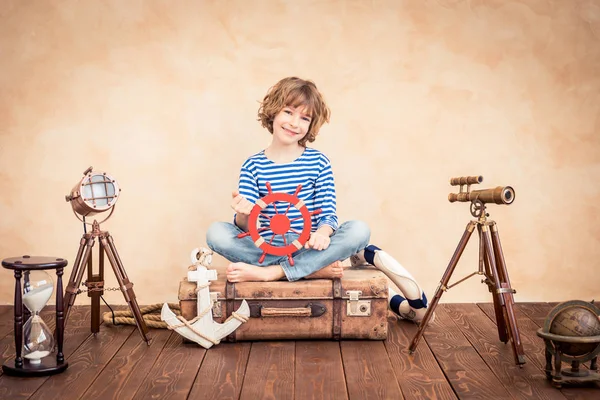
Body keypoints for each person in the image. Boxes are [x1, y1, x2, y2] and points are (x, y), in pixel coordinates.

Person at [206, 77, 370, 282]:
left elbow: (328, 215)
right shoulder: (252, 165)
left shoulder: (319, 162)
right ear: (274, 111)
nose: (294, 123)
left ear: (311, 126)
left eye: (304, 118)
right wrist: (242, 212)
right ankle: (311, 268)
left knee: (359, 230)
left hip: (308, 245)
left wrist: (322, 233)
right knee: (216, 233)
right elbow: (247, 228)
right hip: (268, 245)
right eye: (288, 112)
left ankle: (274, 272)